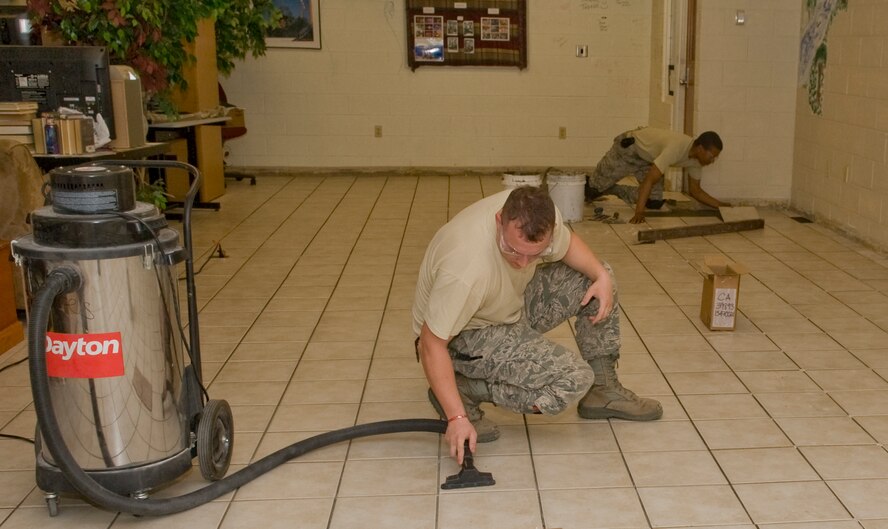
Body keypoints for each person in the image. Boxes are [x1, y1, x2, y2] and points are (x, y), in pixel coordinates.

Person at [412, 186, 662, 464]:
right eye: (513, 250)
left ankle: (604, 390)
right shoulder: (464, 270)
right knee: (575, 378)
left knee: (598, 279)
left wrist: (601, 276)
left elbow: (568, 245)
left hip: (507, 302)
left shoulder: (538, 213)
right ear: (499, 220)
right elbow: (430, 344)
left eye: (535, 254)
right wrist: (456, 417)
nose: (523, 262)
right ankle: (465, 391)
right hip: (467, 334)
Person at [585, 127, 729, 224]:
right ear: (700, 148)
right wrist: (639, 212)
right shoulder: (676, 147)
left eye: (715, 158)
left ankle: (612, 189)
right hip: (629, 149)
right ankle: (596, 185)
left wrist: (723, 206)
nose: (712, 161)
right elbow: (649, 180)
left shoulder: (697, 162)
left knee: (653, 202)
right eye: (711, 156)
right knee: (592, 190)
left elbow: (696, 191)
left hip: (648, 159)